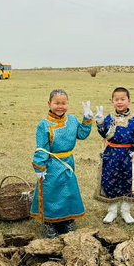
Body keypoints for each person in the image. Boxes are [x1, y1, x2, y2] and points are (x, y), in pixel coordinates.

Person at [30, 89, 92, 238]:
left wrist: (87, 119)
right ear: (49, 103)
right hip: (51, 164)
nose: (60, 106)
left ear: (68, 104)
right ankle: (50, 223)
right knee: (51, 192)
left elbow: (81, 134)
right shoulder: (43, 124)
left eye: (64, 103)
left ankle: (68, 220)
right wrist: (40, 166)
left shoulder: (72, 120)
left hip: (68, 162)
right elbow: (42, 147)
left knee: (69, 191)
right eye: (56, 103)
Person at [94, 87, 134, 224]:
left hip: (129, 156)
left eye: (122, 99)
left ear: (128, 101)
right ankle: (111, 211)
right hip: (111, 155)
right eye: (116, 99)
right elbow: (104, 134)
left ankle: (125, 211)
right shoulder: (109, 118)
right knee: (110, 181)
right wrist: (100, 122)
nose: (119, 102)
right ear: (112, 101)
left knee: (128, 182)